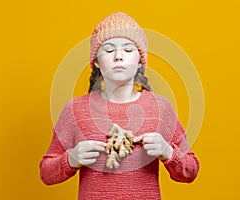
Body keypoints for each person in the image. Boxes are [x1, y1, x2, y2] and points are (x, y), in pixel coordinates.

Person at [40, 12, 199, 200]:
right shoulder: (76, 110)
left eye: (128, 50)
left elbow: (191, 170)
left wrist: (168, 152)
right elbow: (46, 173)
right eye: (108, 50)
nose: (118, 56)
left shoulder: (160, 108)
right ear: (97, 62)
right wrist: (71, 159)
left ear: (140, 60)